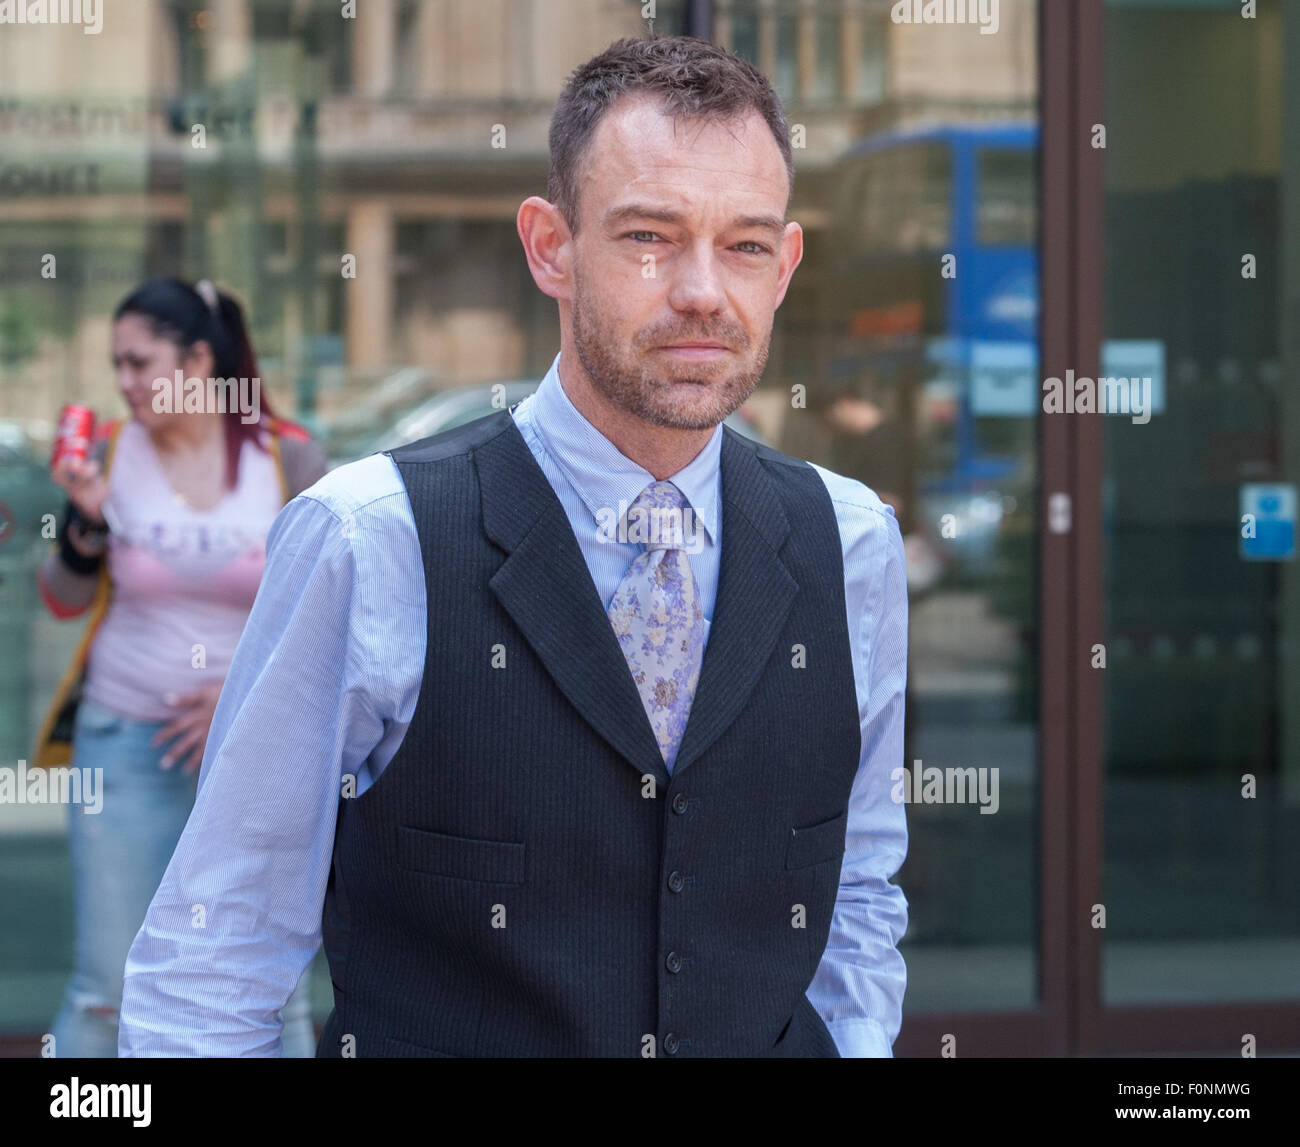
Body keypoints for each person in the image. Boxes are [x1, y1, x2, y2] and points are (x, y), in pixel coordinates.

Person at [120, 35, 909, 1059]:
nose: (704, 291)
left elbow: (854, 890)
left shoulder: (849, 542)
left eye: (745, 245)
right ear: (549, 247)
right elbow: (218, 945)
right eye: (649, 237)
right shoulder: (374, 537)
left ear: (786, 264)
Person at [34, 277, 327, 1058]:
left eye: (139, 362)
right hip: (124, 741)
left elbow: (329, 614)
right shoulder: (106, 453)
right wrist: (85, 523)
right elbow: (59, 597)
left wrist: (237, 698)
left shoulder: (288, 457)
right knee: (107, 988)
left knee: (273, 991)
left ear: (199, 359)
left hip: (253, 754)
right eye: (116, 365)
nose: (124, 383)